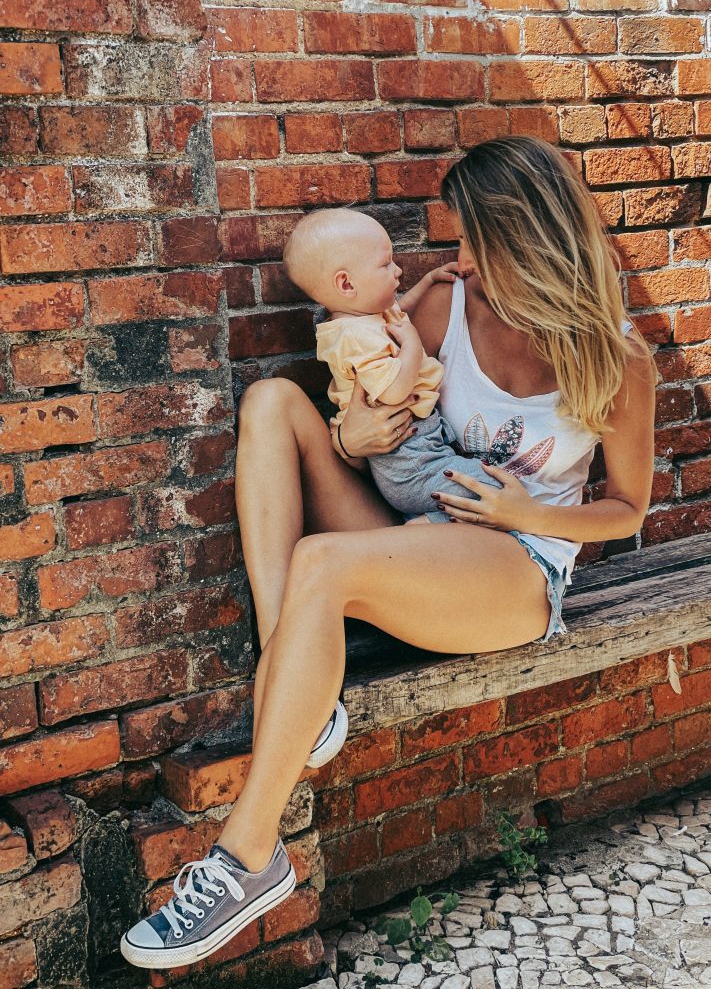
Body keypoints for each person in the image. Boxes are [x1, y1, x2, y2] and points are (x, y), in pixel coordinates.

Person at [120, 136, 657, 970]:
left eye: (470, 240)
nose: (457, 259)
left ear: (521, 238)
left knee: (323, 561)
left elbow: (627, 510)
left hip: (512, 566)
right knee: (272, 403)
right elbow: (377, 406)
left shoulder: (614, 357)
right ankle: (296, 690)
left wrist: (524, 509)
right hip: (416, 532)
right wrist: (350, 436)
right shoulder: (447, 309)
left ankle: (248, 856)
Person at [282, 207, 505, 523]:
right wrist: (412, 343)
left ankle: (432, 525)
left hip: (420, 449)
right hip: (406, 463)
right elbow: (394, 391)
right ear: (346, 284)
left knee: (483, 486)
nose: (397, 270)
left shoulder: (365, 316)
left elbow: (400, 310)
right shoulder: (354, 339)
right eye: (385, 264)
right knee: (496, 486)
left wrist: (428, 281)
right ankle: (431, 527)